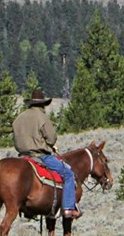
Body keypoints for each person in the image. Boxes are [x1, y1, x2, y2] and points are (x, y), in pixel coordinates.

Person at [12, 89, 79, 219]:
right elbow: (52, 138)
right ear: (43, 104)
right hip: (40, 156)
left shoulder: (19, 118)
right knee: (68, 174)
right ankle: (68, 209)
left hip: (22, 156)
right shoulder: (42, 117)